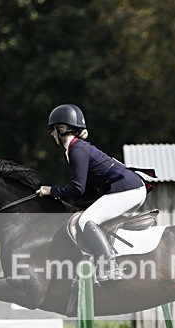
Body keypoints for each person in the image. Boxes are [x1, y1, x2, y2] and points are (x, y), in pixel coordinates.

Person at [36, 104, 147, 281]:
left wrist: (51, 191)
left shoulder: (76, 149)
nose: (52, 134)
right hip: (127, 187)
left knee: (87, 220)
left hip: (129, 189)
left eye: (53, 129)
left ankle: (109, 266)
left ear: (62, 128)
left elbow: (77, 187)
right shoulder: (76, 148)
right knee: (88, 217)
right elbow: (84, 189)